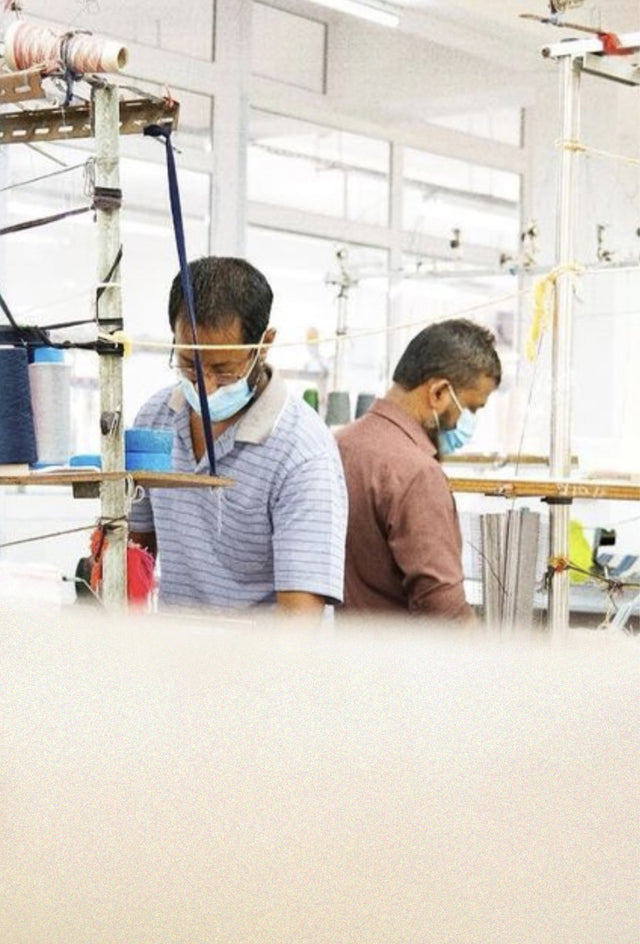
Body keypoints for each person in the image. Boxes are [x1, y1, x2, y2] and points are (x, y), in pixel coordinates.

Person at [128, 256, 347, 615]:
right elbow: (134, 556)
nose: (206, 388)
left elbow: (299, 622)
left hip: (261, 651)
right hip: (169, 646)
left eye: (224, 370)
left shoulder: (303, 453)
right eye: (189, 364)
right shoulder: (155, 420)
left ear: (265, 344)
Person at [335, 319, 501, 621]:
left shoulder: (338, 444)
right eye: (470, 408)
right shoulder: (417, 474)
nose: (465, 422)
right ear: (438, 393)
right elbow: (443, 610)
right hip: (397, 649)